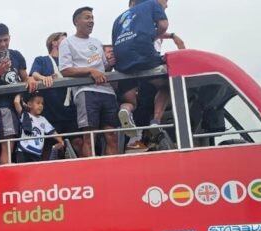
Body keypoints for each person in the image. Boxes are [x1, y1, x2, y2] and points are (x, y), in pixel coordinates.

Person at [112, 0, 182, 144]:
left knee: (130, 101)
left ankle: (125, 111)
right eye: (166, 1)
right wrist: (155, 36)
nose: (166, 5)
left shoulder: (118, 18)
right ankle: (156, 121)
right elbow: (163, 25)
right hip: (143, 53)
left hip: (122, 61)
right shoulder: (152, 4)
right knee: (167, 84)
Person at [60, 7, 120, 158]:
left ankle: (113, 169)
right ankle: (92, 170)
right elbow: (65, 70)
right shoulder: (67, 42)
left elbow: (103, 68)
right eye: (87, 17)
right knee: (90, 137)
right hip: (85, 92)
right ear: (76, 21)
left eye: (92, 18)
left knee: (112, 135)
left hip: (107, 91)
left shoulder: (97, 42)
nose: (91, 21)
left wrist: (111, 64)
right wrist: (90, 71)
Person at [0, 23, 37, 165]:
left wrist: (30, 79)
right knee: (8, 144)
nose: (3, 44)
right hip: (2, 105)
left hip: (20, 105)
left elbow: (24, 77)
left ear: (9, 38)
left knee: (21, 143)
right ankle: (7, 172)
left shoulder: (16, 55)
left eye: (5, 40)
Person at [30, 32, 79, 157]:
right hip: (50, 113)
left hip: (70, 112)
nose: (68, 43)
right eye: (64, 40)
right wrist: (43, 78)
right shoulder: (42, 60)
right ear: (54, 42)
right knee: (46, 147)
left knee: (78, 143)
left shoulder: (70, 62)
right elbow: (34, 74)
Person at [13, 92, 64, 163]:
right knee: (23, 169)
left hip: (37, 153)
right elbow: (16, 102)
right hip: (23, 151)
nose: (40, 105)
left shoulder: (43, 119)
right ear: (29, 104)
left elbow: (52, 132)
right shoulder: (25, 115)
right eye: (38, 103)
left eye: (42, 103)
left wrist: (61, 141)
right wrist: (21, 93)